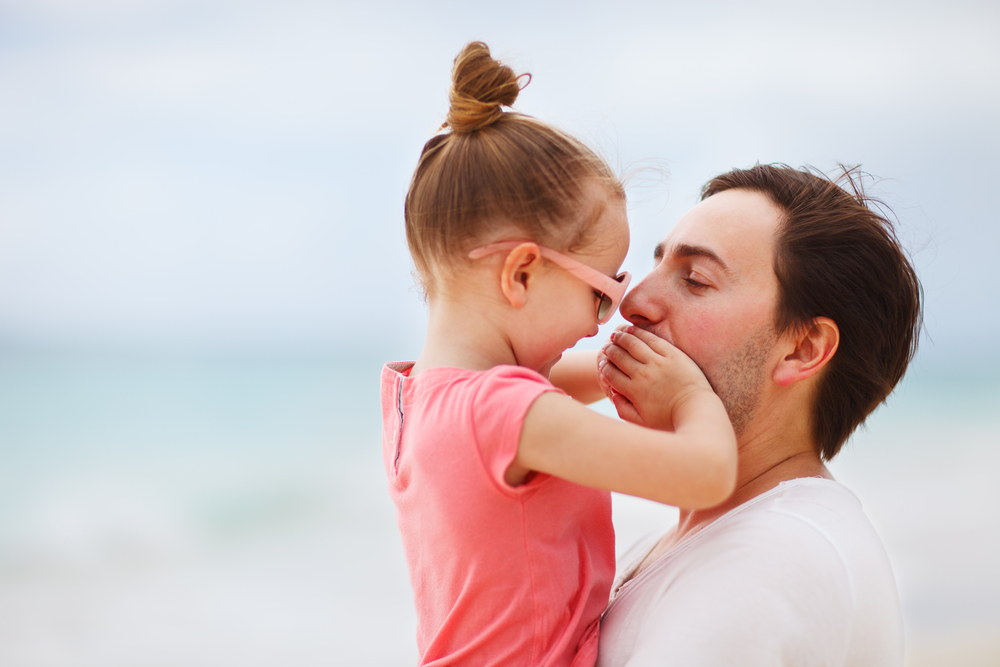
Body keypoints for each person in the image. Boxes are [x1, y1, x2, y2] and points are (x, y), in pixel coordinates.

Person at [380, 42, 739, 667]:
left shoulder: (415, 396)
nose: (613, 316)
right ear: (521, 274)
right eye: (601, 294)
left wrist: (613, 369)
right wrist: (687, 394)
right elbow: (706, 475)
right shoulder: (509, 415)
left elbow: (533, 390)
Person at [590, 164, 922, 666]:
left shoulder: (774, 557)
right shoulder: (696, 543)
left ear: (802, 349)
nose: (633, 302)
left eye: (695, 280)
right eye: (656, 265)